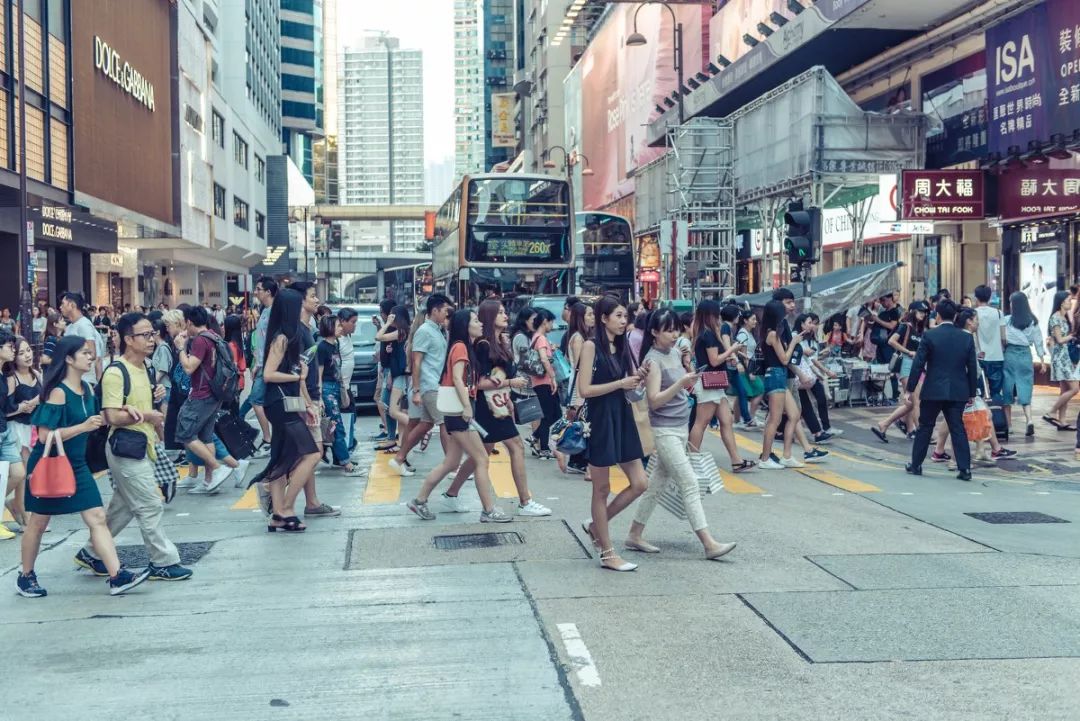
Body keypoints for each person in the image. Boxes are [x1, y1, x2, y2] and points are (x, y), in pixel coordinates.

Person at [17, 335, 152, 597]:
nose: (91, 357)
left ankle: (117, 576)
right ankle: (25, 576)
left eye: (91, 353)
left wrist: (124, 409)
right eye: (85, 353)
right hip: (50, 464)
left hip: (77, 465)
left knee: (97, 518)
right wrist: (82, 427)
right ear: (68, 358)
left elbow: (98, 416)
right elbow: (45, 436)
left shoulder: (88, 390)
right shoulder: (57, 392)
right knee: (39, 522)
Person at [74, 313, 194, 581]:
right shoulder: (116, 372)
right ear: (128, 339)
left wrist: (154, 401)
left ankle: (93, 552)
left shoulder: (147, 367)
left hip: (143, 445)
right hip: (125, 448)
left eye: (153, 333)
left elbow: (144, 407)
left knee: (124, 506)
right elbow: (112, 416)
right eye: (145, 335)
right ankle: (163, 561)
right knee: (150, 505)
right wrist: (148, 415)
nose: (152, 339)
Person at [625, 309, 736, 560]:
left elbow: (681, 388)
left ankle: (634, 534)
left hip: (680, 427)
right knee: (689, 482)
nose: (675, 334)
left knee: (656, 485)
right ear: (654, 332)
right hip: (664, 430)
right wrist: (679, 382)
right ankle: (709, 544)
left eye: (676, 329)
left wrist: (687, 373)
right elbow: (653, 401)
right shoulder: (652, 361)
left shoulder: (675, 352)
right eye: (668, 330)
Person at [443, 300, 551, 516]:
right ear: (489, 317)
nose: (505, 316)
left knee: (480, 454)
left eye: (504, 312)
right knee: (516, 446)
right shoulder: (483, 346)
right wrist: (510, 384)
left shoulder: (500, 342)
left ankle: (451, 494)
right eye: (500, 312)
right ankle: (525, 502)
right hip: (488, 407)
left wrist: (508, 396)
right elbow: (478, 382)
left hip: (499, 405)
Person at [406, 309, 513, 523]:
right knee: (481, 458)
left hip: (455, 412)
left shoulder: (464, 347)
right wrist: (467, 407)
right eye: (475, 320)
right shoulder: (461, 347)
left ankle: (419, 501)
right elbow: (456, 379)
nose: (481, 323)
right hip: (458, 412)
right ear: (466, 326)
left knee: (451, 462)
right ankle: (489, 510)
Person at [578, 295, 648, 572]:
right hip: (600, 418)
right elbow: (585, 390)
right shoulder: (590, 346)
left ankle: (597, 526)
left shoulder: (621, 347)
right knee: (602, 488)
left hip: (622, 415)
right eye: (618, 316)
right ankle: (607, 553)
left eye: (624, 316)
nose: (623, 321)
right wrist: (620, 382)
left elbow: (627, 388)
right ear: (603, 318)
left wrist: (636, 378)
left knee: (641, 482)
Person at [261, 288, 323, 532]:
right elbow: (268, 374)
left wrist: (306, 402)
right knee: (311, 454)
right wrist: (296, 374)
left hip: (285, 401)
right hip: (279, 403)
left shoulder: (289, 335)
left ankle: (278, 515)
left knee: (281, 459)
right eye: (298, 306)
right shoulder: (282, 338)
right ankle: (286, 508)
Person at [905, 299, 978, 481]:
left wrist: (910, 388)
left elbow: (918, 364)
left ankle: (916, 464)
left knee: (925, 426)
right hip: (958, 389)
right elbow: (972, 367)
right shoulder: (966, 337)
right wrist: (972, 393)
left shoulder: (930, 336)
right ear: (955, 316)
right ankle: (965, 469)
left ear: (937, 315)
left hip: (933, 389)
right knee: (957, 428)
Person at [688, 300, 753, 472]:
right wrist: (732, 350)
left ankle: (736, 460)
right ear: (711, 315)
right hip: (709, 382)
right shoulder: (708, 334)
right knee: (701, 423)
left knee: (726, 421)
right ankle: (692, 461)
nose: (719, 317)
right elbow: (714, 360)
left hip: (713, 383)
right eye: (717, 313)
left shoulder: (704, 332)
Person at [391, 294, 453, 476]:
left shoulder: (439, 330)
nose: (447, 315)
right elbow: (416, 361)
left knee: (425, 424)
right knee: (444, 424)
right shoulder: (425, 331)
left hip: (434, 384)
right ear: (435, 311)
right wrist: (417, 390)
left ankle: (399, 458)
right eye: (445, 311)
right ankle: (452, 466)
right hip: (429, 385)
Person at [173, 305, 232, 493]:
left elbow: (189, 367)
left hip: (201, 394)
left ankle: (217, 468)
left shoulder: (200, 341)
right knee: (206, 436)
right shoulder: (214, 336)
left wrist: (180, 349)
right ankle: (209, 481)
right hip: (215, 394)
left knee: (185, 433)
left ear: (190, 322)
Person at [872, 302, 928, 442]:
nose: (923, 314)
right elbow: (891, 341)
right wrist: (908, 351)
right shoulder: (906, 326)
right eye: (920, 311)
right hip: (906, 365)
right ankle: (919, 432)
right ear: (913, 311)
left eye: (925, 312)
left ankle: (885, 424)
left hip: (918, 367)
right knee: (915, 401)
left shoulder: (920, 329)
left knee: (910, 403)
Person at [317, 314, 360, 474]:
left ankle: (340, 458)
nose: (341, 328)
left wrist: (344, 391)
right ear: (329, 328)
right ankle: (345, 461)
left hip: (336, 387)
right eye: (338, 326)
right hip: (327, 390)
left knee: (335, 425)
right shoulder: (322, 348)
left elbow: (338, 371)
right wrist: (319, 397)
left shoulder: (335, 345)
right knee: (337, 425)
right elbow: (319, 374)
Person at [239, 277, 276, 457]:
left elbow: (270, 341)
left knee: (255, 400)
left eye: (259, 289)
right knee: (263, 402)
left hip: (268, 365)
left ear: (268, 291)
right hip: (263, 364)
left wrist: (261, 364)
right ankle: (271, 439)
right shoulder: (265, 311)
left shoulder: (272, 312)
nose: (256, 292)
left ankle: (269, 439)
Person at [1002, 291, 1046, 438]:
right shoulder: (1033, 321)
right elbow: (1038, 340)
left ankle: (1009, 426)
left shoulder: (1007, 320)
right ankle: (1029, 420)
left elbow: (1003, 339)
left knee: (1007, 387)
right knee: (1025, 386)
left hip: (1010, 354)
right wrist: (1041, 360)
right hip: (1025, 355)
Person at [792, 314, 839, 445]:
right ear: (802, 324)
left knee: (803, 406)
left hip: (803, 376)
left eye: (815, 323)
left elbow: (811, 360)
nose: (813, 325)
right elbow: (793, 357)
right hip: (795, 376)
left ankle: (818, 433)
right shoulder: (794, 336)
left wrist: (820, 372)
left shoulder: (810, 339)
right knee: (788, 410)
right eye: (810, 322)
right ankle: (780, 433)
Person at [563, 301, 595, 476]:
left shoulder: (581, 337)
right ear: (581, 318)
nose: (593, 318)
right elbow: (580, 366)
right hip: (578, 388)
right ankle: (576, 460)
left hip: (579, 387)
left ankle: (578, 461)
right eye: (589, 315)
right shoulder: (578, 338)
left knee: (582, 424)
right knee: (581, 425)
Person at [375, 305, 411, 455]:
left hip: (401, 376)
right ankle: (401, 443)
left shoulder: (401, 332)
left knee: (392, 410)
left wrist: (387, 324)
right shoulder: (405, 332)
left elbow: (378, 337)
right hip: (400, 374)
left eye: (392, 316)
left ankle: (420, 428)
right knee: (400, 409)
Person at [526, 307, 560, 460]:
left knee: (555, 414)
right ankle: (544, 449)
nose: (552, 326)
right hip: (543, 381)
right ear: (545, 322)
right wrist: (552, 377)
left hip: (538, 381)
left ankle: (535, 437)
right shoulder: (541, 338)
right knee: (548, 415)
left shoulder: (535, 337)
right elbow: (544, 359)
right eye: (551, 322)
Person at [1044, 290, 1079, 431]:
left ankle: (1062, 421)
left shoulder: (1065, 317)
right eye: (1068, 300)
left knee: (1064, 389)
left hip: (1066, 356)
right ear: (1061, 302)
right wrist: (1073, 335)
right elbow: (1059, 339)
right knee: (1074, 389)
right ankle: (1050, 412)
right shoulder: (1056, 318)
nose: (1070, 302)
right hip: (1060, 358)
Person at [6, 337, 42, 466]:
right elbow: (7, 410)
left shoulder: (37, 374)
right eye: (21, 353)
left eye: (28, 350)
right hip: (18, 429)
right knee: (28, 469)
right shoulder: (12, 379)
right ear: (14, 357)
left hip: (36, 427)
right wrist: (29, 404)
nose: (27, 355)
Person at [59, 292, 104, 385]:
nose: (60, 307)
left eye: (63, 303)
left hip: (84, 380)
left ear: (72, 305)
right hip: (71, 380)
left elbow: (92, 353)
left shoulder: (84, 325)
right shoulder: (70, 327)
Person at [973, 285, 1005, 411]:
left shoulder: (973, 313)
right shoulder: (998, 313)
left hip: (979, 356)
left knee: (979, 391)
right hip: (997, 356)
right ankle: (997, 419)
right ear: (990, 296)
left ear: (976, 297)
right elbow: (1003, 337)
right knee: (996, 392)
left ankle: (982, 417)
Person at [867, 292, 901, 401]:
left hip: (888, 345)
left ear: (890, 299)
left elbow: (892, 326)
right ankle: (882, 392)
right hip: (880, 344)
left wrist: (877, 320)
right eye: (880, 301)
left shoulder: (894, 312)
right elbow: (876, 327)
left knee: (891, 369)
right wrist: (868, 321)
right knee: (881, 369)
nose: (882, 303)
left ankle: (894, 394)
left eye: (883, 300)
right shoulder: (883, 312)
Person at [734, 310, 764, 430]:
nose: (755, 322)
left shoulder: (748, 333)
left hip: (748, 367)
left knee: (741, 394)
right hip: (745, 368)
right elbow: (744, 355)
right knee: (760, 389)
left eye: (756, 319)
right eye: (753, 319)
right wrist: (750, 371)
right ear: (745, 320)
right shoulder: (743, 334)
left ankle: (740, 420)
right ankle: (748, 418)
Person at [336, 308, 360, 456]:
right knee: (345, 417)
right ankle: (343, 451)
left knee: (350, 416)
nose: (355, 325)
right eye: (352, 322)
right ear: (342, 322)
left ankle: (347, 446)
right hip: (340, 387)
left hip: (346, 386)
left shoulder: (347, 336)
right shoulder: (337, 340)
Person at [373, 298, 397, 444]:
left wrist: (389, 374)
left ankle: (390, 433)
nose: (380, 314)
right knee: (386, 403)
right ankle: (390, 433)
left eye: (381, 312)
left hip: (389, 371)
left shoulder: (394, 328)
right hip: (385, 369)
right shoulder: (388, 327)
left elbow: (379, 338)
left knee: (386, 404)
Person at [223, 314, 247, 417]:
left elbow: (232, 367)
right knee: (234, 410)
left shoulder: (230, 346)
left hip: (232, 384)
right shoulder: (238, 343)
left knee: (230, 413)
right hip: (238, 382)